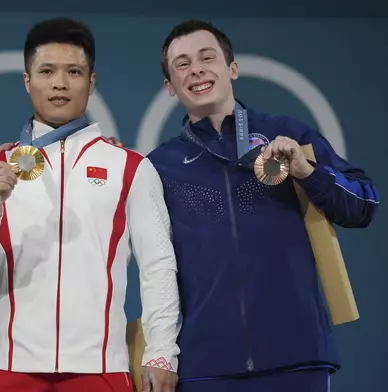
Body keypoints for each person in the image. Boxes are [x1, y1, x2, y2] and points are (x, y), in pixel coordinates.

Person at [0, 17, 181, 392]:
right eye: (46, 71)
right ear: (27, 81)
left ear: (91, 83)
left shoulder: (130, 167)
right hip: (10, 368)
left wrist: (161, 353)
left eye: (73, 71)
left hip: (101, 369)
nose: (59, 83)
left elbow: (157, 265)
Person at [147, 19, 380, 392]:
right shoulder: (160, 165)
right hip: (206, 366)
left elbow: (364, 204)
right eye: (182, 64)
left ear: (232, 69)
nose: (196, 70)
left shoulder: (287, 135)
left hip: (297, 357)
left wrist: (307, 171)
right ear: (170, 87)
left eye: (207, 58)